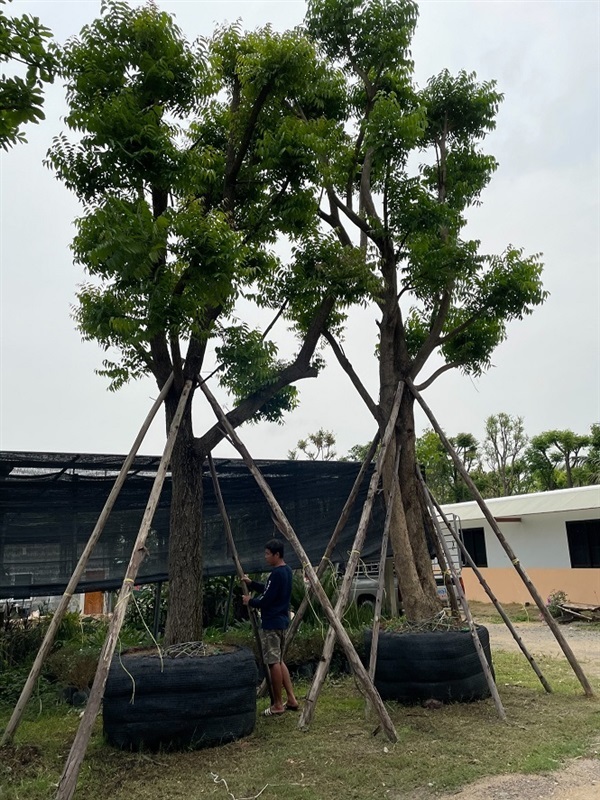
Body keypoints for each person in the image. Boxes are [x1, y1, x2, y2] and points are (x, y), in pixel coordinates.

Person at [242, 538, 299, 716]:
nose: (265, 557)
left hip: (272, 623)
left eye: (268, 554)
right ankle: (291, 698)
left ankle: (278, 704)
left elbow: (266, 600)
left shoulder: (276, 574)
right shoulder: (287, 571)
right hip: (282, 621)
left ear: (277, 554)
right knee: (280, 660)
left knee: (273, 662)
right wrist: (252, 584)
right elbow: (268, 590)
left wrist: (250, 601)